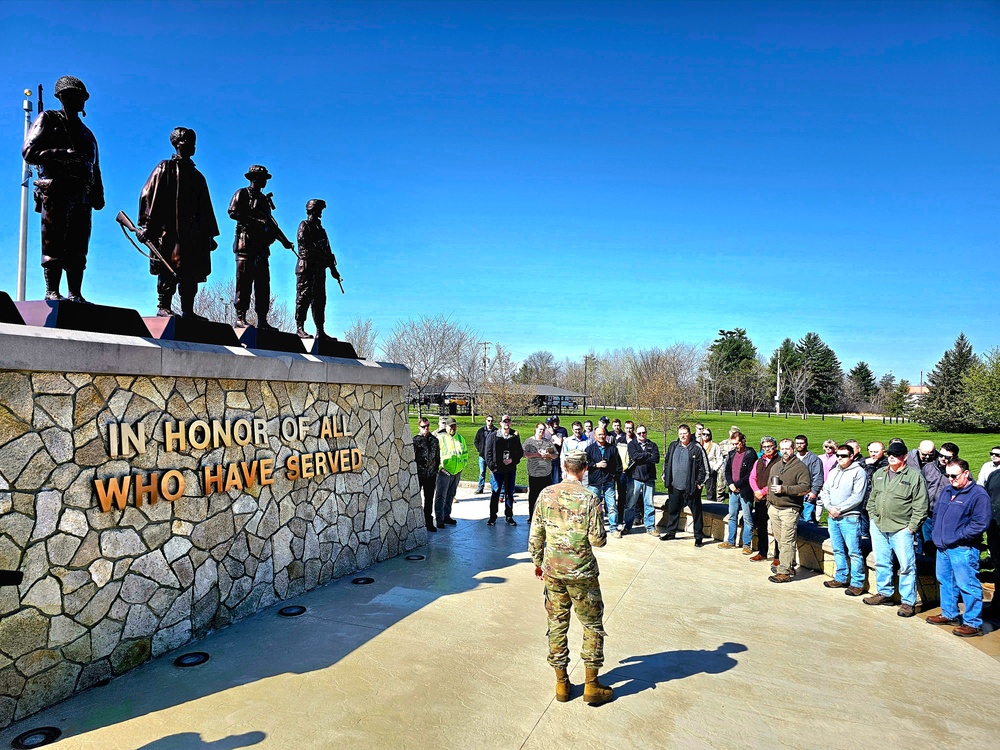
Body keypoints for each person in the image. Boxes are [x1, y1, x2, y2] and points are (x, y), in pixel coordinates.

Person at [528, 449, 613, 706]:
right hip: (582, 572)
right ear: (584, 469)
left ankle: (561, 683)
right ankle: (591, 684)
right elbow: (598, 540)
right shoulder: (590, 498)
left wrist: (537, 562)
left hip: (553, 570)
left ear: (565, 467)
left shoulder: (546, 494)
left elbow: (536, 535)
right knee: (592, 624)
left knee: (556, 624)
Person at [22, 75, 104, 303]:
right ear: (62, 97)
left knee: (79, 245)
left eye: (82, 96)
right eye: (75, 96)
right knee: (54, 241)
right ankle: (52, 291)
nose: (80, 100)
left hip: (82, 195)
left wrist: (98, 192)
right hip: (56, 190)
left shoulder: (88, 134)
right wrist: (61, 154)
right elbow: (29, 152)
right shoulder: (48, 119)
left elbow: (95, 166)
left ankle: (75, 293)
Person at [137, 127, 219, 318]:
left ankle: (188, 310)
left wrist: (208, 235)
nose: (192, 146)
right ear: (177, 143)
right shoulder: (165, 167)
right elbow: (149, 194)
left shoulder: (198, 176)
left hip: (193, 233)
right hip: (171, 231)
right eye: (187, 142)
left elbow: (205, 207)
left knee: (191, 270)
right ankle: (163, 305)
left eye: (193, 142)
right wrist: (148, 225)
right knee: (169, 267)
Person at [925, 459, 992, 636]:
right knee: (945, 581)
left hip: (963, 548)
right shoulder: (947, 490)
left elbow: (980, 523)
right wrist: (936, 534)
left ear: (966, 473)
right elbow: (937, 513)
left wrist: (957, 536)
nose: (950, 479)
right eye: (948, 475)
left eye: (954, 476)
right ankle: (949, 613)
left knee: (968, 585)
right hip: (943, 547)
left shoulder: (978, 495)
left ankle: (972, 623)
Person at [864, 441, 927, 617]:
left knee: (907, 565)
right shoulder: (879, 474)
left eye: (896, 454)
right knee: (882, 561)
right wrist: (873, 516)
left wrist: (911, 528)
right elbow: (872, 498)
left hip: (902, 529)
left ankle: (908, 602)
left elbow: (921, 506)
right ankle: (884, 593)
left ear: (904, 457)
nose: (892, 457)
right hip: (878, 526)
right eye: (890, 454)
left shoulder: (914, 477)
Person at [228, 164, 294, 328]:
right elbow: (233, 212)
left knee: (263, 285)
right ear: (253, 179)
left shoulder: (264, 200)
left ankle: (262, 320)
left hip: (261, 248)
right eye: (262, 178)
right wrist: (256, 220)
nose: (264, 181)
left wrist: (284, 241)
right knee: (243, 282)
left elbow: (271, 224)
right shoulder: (242, 193)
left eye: (265, 179)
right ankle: (240, 317)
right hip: (246, 245)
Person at [820, 445, 869, 595]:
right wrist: (829, 507)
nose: (840, 458)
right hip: (833, 517)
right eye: (838, 455)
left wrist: (839, 509)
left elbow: (857, 497)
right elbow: (825, 490)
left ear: (852, 456)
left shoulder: (859, 472)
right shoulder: (834, 471)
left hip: (850, 518)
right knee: (838, 549)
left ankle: (857, 583)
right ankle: (840, 577)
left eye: (844, 456)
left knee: (854, 552)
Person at [294, 199, 341, 339]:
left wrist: (333, 269)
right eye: (318, 210)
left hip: (319, 269)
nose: (320, 213)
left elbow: (328, 250)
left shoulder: (322, 230)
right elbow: (304, 245)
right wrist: (320, 253)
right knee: (303, 297)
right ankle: (300, 327)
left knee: (320, 300)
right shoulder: (304, 225)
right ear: (312, 210)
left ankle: (320, 331)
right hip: (307, 267)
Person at [766, 439, 811, 583]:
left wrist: (784, 489)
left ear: (793, 449)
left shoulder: (800, 467)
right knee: (780, 540)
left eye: (788, 448)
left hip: (789, 509)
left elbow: (805, 488)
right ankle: (789, 565)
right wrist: (769, 504)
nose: (785, 451)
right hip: (774, 508)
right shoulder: (776, 466)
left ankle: (784, 572)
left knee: (787, 541)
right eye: (782, 448)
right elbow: (769, 486)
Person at [659, 424, 709, 546]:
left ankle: (698, 536)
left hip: (691, 488)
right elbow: (666, 463)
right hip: (674, 486)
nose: (682, 436)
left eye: (685, 433)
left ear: (689, 434)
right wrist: (666, 477)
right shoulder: (673, 446)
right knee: (673, 510)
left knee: (696, 513)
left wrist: (699, 484)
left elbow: (705, 469)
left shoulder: (697, 448)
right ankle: (671, 532)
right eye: (680, 433)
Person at [720, 432, 757, 553]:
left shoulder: (750, 454)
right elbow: (727, 471)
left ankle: (747, 544)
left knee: (747, 517)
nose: (735, 446)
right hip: (733, 491)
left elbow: (750, 474)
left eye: (737, 443)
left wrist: (737, 485)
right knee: (732, 516)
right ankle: (731, 541)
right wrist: (730, 484)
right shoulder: (731, 454)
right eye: (733, 444)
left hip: (745, 491)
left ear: (743, 441)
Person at [486, 415, 523, 526]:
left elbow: (520, 453)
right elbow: (487, 453)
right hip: (497, 470)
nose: (506, 423)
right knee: (495, 493)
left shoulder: (514, 437)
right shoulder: (493, 436)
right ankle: (492, 517)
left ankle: (509, 516)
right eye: (504, 421)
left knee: (509, 493)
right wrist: (492, 467)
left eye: (508, 421)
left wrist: (513, 460)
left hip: (510, 469)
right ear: (501, 423)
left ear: (510, 423)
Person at [748, 437, 779, 562]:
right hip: (760, 500)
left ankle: (778, 556)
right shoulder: (759, 461)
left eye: (769, 446)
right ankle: (762, 552)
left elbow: (776, 481)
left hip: (773, 500)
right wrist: (756, 491)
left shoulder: (780, 461)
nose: (767, 449)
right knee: (761, 527)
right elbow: (752, 477)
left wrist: (763, 491)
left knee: (777, 529)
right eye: (764, 447)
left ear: (775, 447)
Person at [625, 425, 660, 535]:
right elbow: (634, 456)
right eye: (639, 433)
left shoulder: (652, 445)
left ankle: (650, 527)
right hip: (635, 478)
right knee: (631, 504)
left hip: (649, 478)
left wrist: (642, 457)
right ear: (636, 433)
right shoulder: (632, 444)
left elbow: (656, 458)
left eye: (643, 432)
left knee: (649, 504)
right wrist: (647, 455)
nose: (642, 435)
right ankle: (627, 526)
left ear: (646, 432)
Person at [586, 427, 621, 533]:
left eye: (603, 434)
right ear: (595, 436)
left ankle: (613, 527)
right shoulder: (589, 449)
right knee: (593, 506)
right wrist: (597, 465)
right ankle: (594, 528)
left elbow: (618, 465)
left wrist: (613, 476)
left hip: (608, 481)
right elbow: (585, 465)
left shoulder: (612, 449)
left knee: (611, 506)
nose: (602, 436)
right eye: (599, 434)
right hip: (594, 482)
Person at [434, 417, 467, 528]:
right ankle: (439, 518)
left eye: (454, 425)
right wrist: (440, 467)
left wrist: (462, 466)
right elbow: (436, 456)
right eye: (450, 426)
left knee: (451, 494)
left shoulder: (460, 438)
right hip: (444, 472)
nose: (452, 428)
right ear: (446, 426)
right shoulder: (440, 438)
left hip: (457, 471)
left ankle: (446, 515)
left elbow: (465, 454)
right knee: (441, 495)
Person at [523, 422, 556, 521]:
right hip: (534, 473)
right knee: (533, 495)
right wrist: (537, 455)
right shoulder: (529, 441)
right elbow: (524, 454)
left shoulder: (548, 442)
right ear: (536, 429)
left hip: (546, 473)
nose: (541, 432)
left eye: (543, 430)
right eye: (540, 429)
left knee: (546, 496)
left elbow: (555, 455)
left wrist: (549, 455)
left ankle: (546, 516)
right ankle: (532, 516)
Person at [412, 418, 440, 532]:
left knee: (429, 499)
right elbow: (412, 458)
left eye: (427, 426)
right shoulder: (416, 441)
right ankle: (414, 521)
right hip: (419, 474)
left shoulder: (434, 440)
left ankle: (428, 521)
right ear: (419, 427)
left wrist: (435, 469)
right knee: (415, 498)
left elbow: (437, 456)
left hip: (431, 475)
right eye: (423, 426)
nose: (426, 428)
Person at [794, 435, 824, 523]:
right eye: (797, 443)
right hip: (795, 493)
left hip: (808, 494)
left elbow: (818, 476)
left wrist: (814, 491)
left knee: (808, 520)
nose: (799, 445)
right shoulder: (793, 458)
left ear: (806, 444)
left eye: (801, 443)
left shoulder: (814, 459)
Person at [562, 421, 591, 486]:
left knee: (584, 490)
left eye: (579, 429)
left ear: (582, 429)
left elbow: (590, 456)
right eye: (576, 429)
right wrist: (564, 470)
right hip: (570, 471)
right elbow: (563, 456)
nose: (577, 431)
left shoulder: (588, 441)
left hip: (583, 471)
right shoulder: (567, 441)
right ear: (572, 430)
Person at [473, 416, 496, 494]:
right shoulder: (481, 431)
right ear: (486, 421)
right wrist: (480, 449)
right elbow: (476, 441)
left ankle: (494, 489)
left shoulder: (496, 431)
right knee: (482, 472)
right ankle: (480, 488)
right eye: (488, 420)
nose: (490, 422)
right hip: (482, 456)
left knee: (492, 472)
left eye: (491, 421)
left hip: (492, 456)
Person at [701, 428, 724, 505]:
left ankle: (712, 509)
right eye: (703, 434)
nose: (705, 436)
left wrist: (714, 468)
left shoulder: (714, 446)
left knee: (710, 492)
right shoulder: (698, 445)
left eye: (707, 434)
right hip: (700, 471)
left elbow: (720, 458)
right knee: (696, 492)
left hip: (710, 471)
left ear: (710, 436)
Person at [548, 416, 568, 484]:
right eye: (554, 421)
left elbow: (561, 442)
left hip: (560, 454)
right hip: (549, 456)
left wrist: (553, 434)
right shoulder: (547, 431)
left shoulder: (562, 430)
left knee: (558, 474)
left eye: (557, 421)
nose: (555, 423)